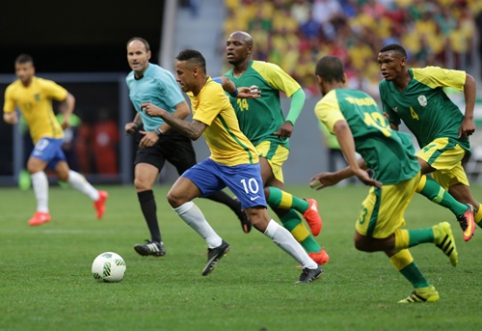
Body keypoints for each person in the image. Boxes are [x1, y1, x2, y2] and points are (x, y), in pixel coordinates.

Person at [144, 48, 322, 282]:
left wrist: (163, 114)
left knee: (258, 218)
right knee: (176, 196)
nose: (177, 78)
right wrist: (238, 92)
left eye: (180, 73)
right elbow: (226, 81)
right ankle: (216, 243)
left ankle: (311, 265)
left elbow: (195, 131)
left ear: (195, 72)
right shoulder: (207, 84)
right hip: (217, 161)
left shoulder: (210, 94)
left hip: (241, 162)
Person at [311, 55, 458, 302]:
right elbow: (380, 139)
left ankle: (436, 234)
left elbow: (341, 128)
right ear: (345, 79)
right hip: (406, 163)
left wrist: (353, 168)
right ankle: (424, 290)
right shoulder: (363, 97)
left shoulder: (325, 103)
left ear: (319, 80)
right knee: (386, 236)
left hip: (391, 172)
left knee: (365, 241)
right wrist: (340, 175)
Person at [125, 37, 251, 257]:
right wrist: (135, 123)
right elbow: (144, 104)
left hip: (173, 136)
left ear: (148, 55)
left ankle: (235, 205)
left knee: (196, 187)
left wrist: (158, 131)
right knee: (141, 182)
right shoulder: (130, 79)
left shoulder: (162, 77)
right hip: (150, 138)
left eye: (138, 53)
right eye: (130, 54)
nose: (134, 58)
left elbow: (183, 109)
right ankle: (157, 242)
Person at [222, 31, 328, 266]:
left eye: (236, 44)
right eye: (228, 43)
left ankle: (307, 205)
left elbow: (298, 92)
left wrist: (289, 120)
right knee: (278, 203)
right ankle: (314, 251)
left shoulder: (266, 70)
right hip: (249, 149)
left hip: (271, 140)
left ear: (248, 50)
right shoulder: (226, 81)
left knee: (252, 187)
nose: (230, 47)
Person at [378, 43, 478, 242]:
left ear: (403, 61)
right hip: (431, 149)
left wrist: (468, 117)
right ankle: (465, 209)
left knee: (409, 170)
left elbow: (469, 80)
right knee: (469, 202)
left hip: (451, 137)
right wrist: (385, 129)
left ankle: (460, 212)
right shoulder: (385, 89)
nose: (382, 67)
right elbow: (393, 124)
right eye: (380, 63)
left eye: (388, 61)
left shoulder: (426, 76)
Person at [3, 54, 108, 226]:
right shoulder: (12, 90)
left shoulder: (44, 86)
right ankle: (97, 196)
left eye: (24, 69)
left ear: (32, 70)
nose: (21, 73)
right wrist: (10, 118)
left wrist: (66, 118)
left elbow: (69, 98)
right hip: (38, 137)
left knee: (33, 166)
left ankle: (43, 211)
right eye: (18, 70)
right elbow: (7, 113)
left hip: (51, 134)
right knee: (63, 174)